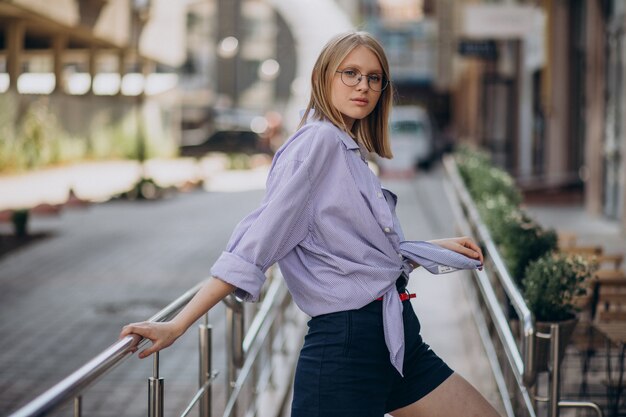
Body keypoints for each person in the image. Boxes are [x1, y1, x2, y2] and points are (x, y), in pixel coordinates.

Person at [120, 31, 501, 417]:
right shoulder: (318, 143)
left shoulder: (348, 149)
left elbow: (351, 254)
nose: (363, 86)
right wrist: (178, 325)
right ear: (323, 77)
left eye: (373, 78)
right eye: (350, 73)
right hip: (347, 351)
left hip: (397, 341)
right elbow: (256, 243)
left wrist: (425, 249)